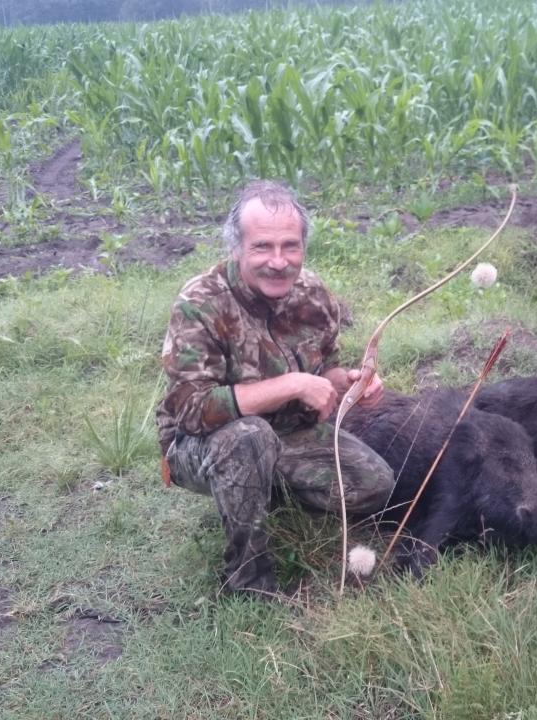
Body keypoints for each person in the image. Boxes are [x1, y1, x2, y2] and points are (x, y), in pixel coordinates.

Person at [156, 180, 394, 598]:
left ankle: (258, 495)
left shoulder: (314, 295)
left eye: (291, 247)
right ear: (237, 247)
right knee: (249, 438)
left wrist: (351, 381)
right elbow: (191, 410)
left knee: (375, 483)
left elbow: (326, 371)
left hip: (287, 433)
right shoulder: (201, 302)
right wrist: (291, 384)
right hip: (200, 444)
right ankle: (248, 581)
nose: (279, 262)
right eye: (262, 247)